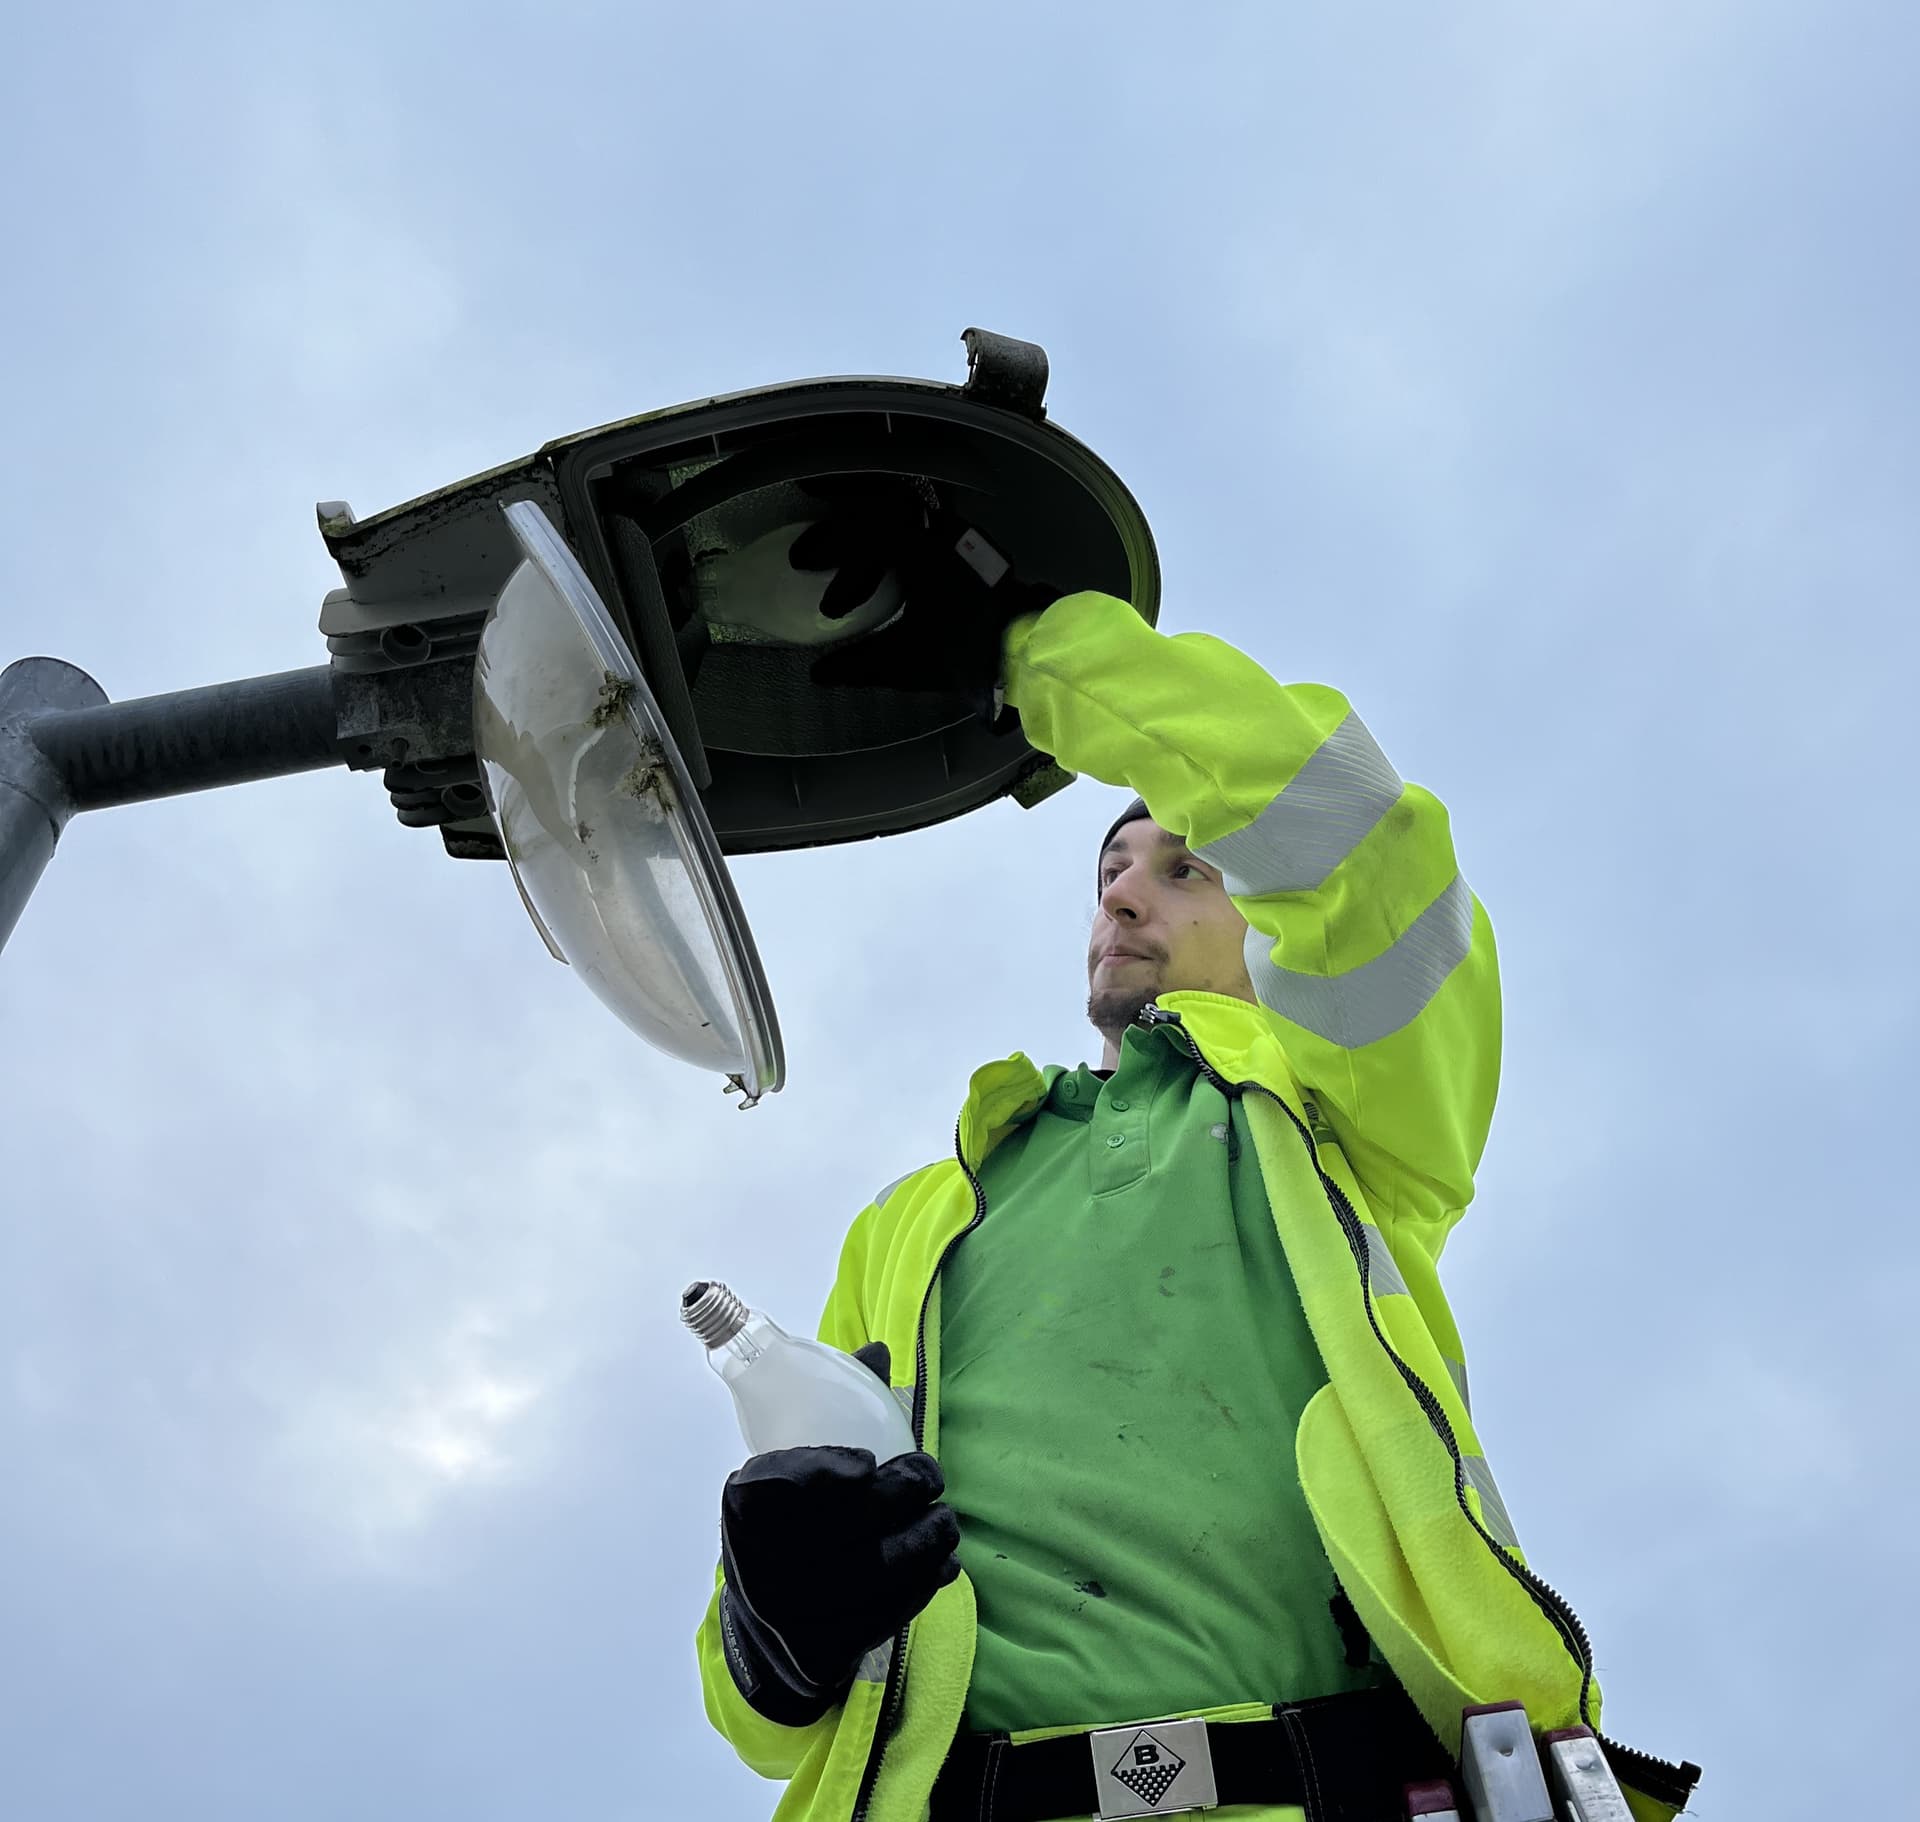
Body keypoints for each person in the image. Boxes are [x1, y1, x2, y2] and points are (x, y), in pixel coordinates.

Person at [694, 504, 1699, 1822]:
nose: (1122, 894)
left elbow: (1354, 837)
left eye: (1185, 865)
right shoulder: (914, 1219)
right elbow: (773, 1705)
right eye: (1112, 867)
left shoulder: (1340, 1109)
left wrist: (1034, 654)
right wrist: (773, 1631)